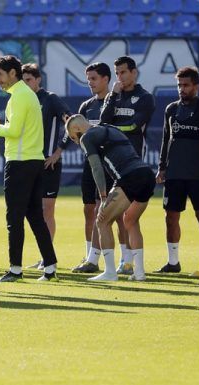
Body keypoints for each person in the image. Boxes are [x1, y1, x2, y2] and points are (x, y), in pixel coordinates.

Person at [0, 55, 59, 282]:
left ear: (12, 73)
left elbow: (14, 131)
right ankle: (50, 267)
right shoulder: (25, 95)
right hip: (34, 162)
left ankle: (15, 270)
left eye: (0, 74)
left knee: (14, 218)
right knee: (35, 217)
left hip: (20, 164)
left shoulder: (19, 96)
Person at [66, 115, 156, 282]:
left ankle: (109, 272)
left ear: (77, 129)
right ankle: (140, 273)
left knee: (102, 221)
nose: (75, 142)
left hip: (129, 177)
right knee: (131, 221)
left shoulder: (86, 137)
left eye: (72, 137)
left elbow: (96, 168)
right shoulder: (111, 128)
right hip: (146, 174)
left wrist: (103, 196)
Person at [155, 67, 199, 276]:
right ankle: (173, 263)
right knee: (170, 218)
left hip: (198, 174)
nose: (182, 89)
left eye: (186, 85)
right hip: (174, 174)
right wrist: (162, 167)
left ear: (196, 86)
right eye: (179, 85)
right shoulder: (171, 109)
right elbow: (166, 139)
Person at [68, 62, 128, 274]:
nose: (90, 83)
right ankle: (91, 258)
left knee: (118, 213)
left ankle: (126, 260)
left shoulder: (117, 102)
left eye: (94, 78)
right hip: (91, 164)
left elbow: (106, 125)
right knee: (91, 211)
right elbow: (75, 134)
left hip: (112, 165)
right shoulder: (86, 106)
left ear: (106, 79)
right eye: (88, 79)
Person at [99, 55, 155, 274]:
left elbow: (134, 126)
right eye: (117, 73)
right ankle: (127, 261)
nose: (120, 77)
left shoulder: (144, 98)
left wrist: (112, 131)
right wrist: (113, 95)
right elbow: (104, 120)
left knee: (127, 217)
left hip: (132, 165)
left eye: (123, 72)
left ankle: (128, 262)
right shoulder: (115, 96)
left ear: (134, 72)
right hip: (113, 163)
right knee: (116, 216)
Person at [20, 63, 72, 264]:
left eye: (29, 80)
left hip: (48, 164)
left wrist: (58, 151)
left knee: (46, 210)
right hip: (28, 163)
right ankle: (44, 257)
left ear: (38, 79)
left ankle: (47, 259)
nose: (25, 84)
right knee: (31, 211)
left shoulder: (50, 99)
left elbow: (71, 123)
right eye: (22, 81)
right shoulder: (22, 100)